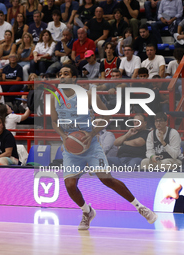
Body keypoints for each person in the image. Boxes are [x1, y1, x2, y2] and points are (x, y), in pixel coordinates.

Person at [51, 64, 157, 230]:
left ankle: (140, 207)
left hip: (91, 144)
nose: (61, 76)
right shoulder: (55, 97)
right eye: (60, 73)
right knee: (70, 185)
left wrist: (92, 133)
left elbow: (107, 115)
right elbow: (53, 122)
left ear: (74, 78)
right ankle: (87, 212)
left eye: (66, 73)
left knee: (106, 179)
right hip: (72, 147)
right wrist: (64, 136)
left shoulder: (87, 95)